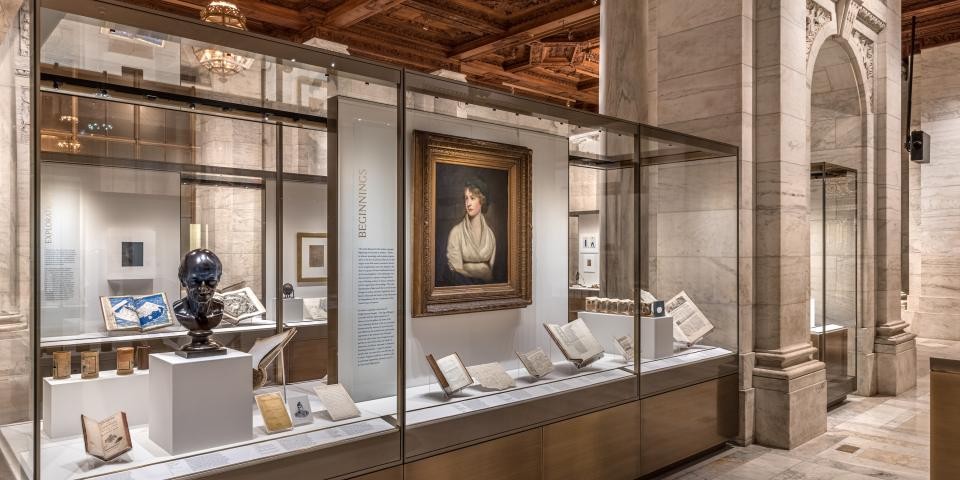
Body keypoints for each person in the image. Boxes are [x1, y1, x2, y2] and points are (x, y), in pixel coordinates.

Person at [446, 178, 496, 283]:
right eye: (466, 198)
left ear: (481, 200)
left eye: (472, 198)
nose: (468, 203)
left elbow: (492, 268)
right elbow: (455, 269)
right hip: (464, 288)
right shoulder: (456, 232)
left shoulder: (490, 235)